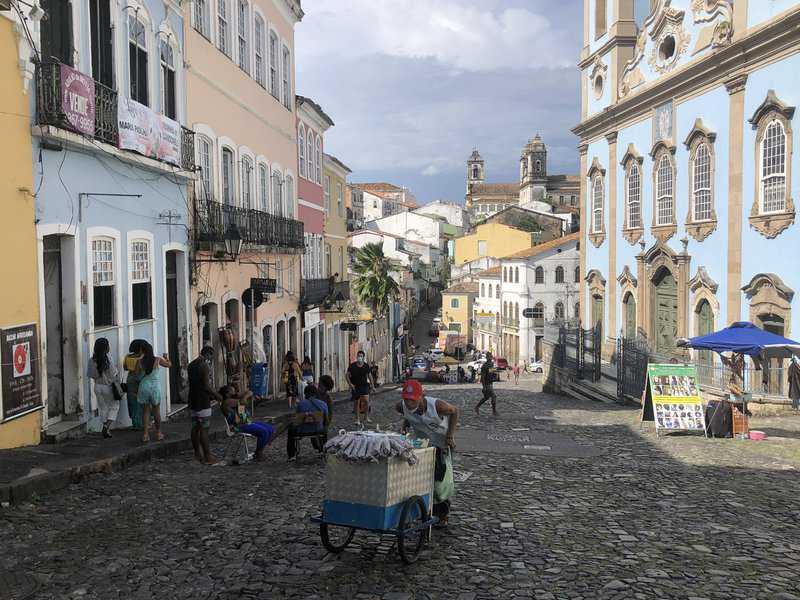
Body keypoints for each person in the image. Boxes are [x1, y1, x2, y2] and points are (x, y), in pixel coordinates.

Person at [396, 379, 458, 527]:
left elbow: (455, 411)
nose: (408, 403)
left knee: (439, 483)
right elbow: (408, 415)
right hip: (421, 445)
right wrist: (405, 425)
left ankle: (442, 515)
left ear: (421, 396)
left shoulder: (437, 406)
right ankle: (423, 511)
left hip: (440, 445)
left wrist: (450, 435)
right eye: (406, 399)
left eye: (412, 400)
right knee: (420, 479)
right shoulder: (401, 406)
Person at [220, 384, 275, 461]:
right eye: (232, 391)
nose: (235, 391)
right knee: (264, 432)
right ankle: (258, 453)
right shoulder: (226, 402)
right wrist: (246, 395)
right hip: (238, 426)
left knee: (270, 428)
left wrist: (243, 394)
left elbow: (243, 404)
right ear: (227, 394)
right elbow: (243, 401)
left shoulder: (235, 400)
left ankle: (260, 449)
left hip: (245, 422)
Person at [188, 346, 222, 464]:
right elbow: (206, 386)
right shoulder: (204, 366)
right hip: (202, 401)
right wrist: (217, 395)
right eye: (211, 356)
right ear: (208, 354)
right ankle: (208, 456)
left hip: (192, 399)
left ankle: (197, 453)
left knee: (195, 427)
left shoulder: (191, 365)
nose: (211, 359)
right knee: (204, 429)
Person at [138, 342, 172, 443]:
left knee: (145, 412)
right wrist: (166, 358)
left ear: (143, 351)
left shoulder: (139, 361)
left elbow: (137, 374)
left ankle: (145, 434)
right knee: (156, 411)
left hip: (144, 386)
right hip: (154, 387)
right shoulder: (158, 359)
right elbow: (169, 365)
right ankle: (158, 433)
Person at [87, 337, 120, 439]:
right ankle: (106, 426)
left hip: (97, 386)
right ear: (106, 347)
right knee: (115, 406)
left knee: (103, 408)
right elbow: (114, 373)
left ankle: (106, 427)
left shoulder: (92, 360)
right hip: (108, 386)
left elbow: (91, 375)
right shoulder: (108, 359)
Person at [287, 382, 329, 460]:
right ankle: (322, 449)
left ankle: (292, 454)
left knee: (290, 431)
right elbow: (326, 420)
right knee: (325, 429)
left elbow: (298, 419)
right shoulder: (323, 404)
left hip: (302, 430)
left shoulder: (301, 404)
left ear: (305, 394)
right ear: (316, 393)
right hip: (318, 430)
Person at [347, 350, 375, 426]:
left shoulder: (366, 366)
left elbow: (370, 376)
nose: (359, 357)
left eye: (361, 356)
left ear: (363, 357)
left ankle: (366, 417)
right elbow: (347, 375)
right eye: (358, 356)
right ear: (357, 356)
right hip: (356, 386)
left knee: (366, 401)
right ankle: (357, 419)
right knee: (357, 403)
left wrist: (373, 386)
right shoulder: (352, 366)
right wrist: (350, 384)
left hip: (364, 386)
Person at [123, 339, 145, 430]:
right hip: (140, 377)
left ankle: (135, 423)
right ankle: (141, 424)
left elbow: (125, 368)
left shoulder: (127, 356)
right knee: (141, 402)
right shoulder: (142, 357)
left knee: (132, 402)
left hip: (130, 378)